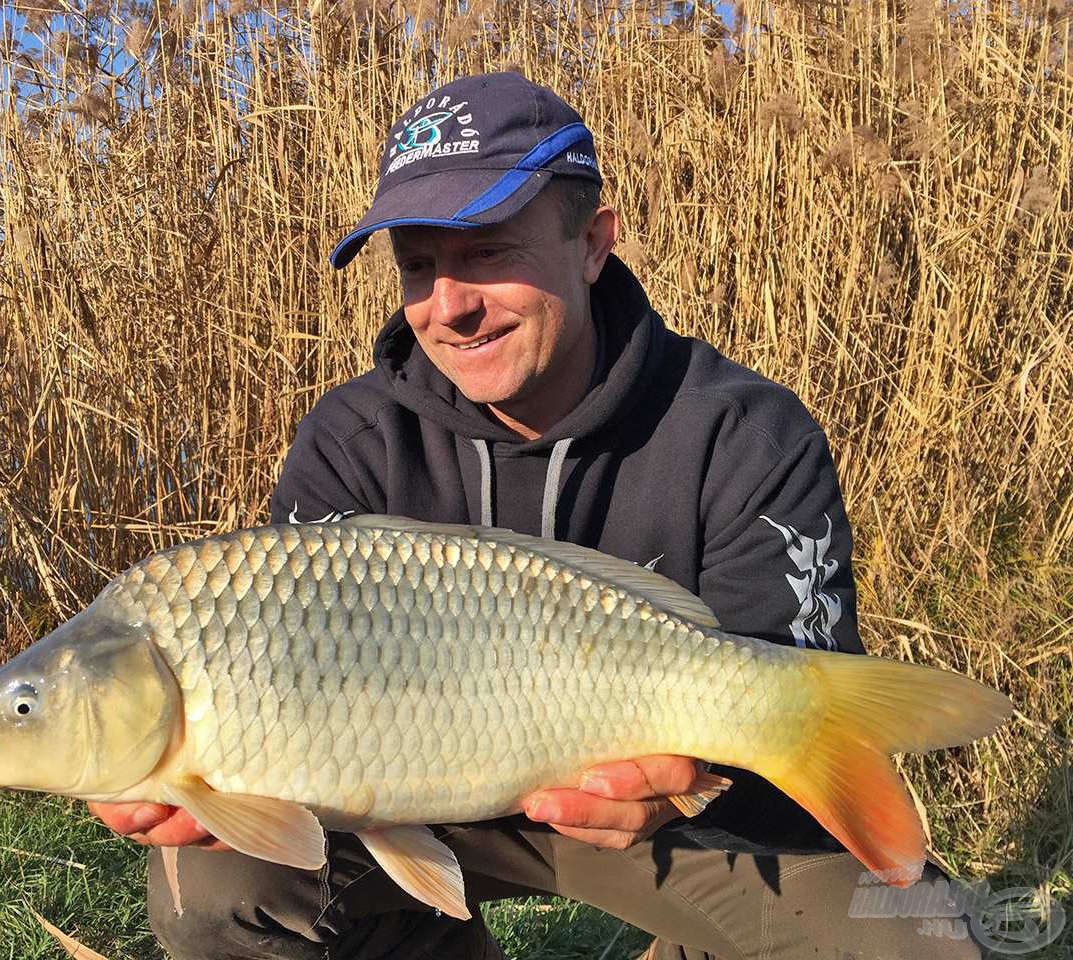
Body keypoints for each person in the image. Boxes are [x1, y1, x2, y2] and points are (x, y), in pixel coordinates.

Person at [91, 72, 985, 960]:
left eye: (487, 252)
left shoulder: (746, 433)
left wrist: (684, 784)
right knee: (215, 888)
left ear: (593, 243)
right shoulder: (349, 441)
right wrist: (203, 771)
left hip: (661, 812)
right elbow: (281, 700)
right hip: (412, 795)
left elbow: (786, 722)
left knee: (921, 944)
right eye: (418, 265)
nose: (450, 306)